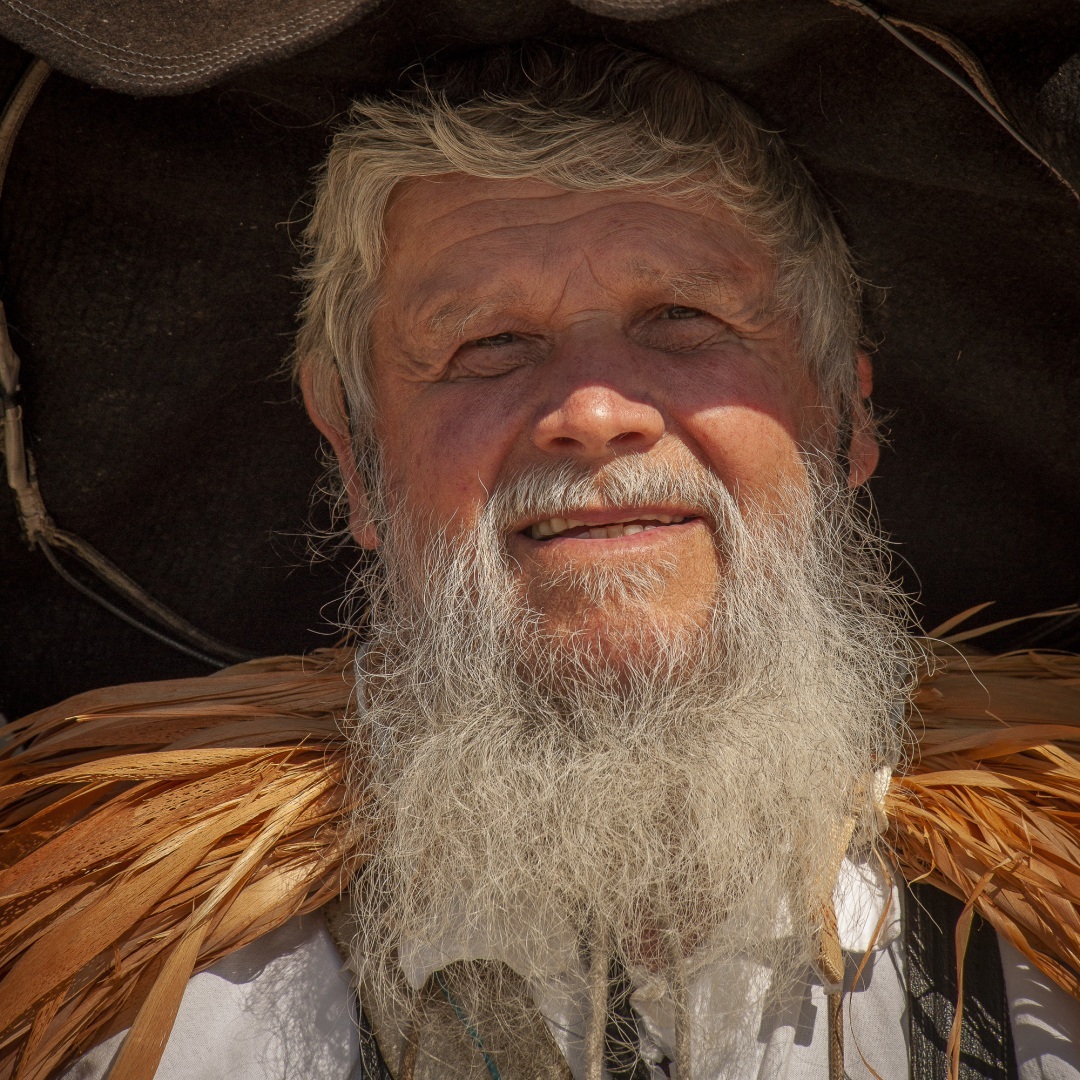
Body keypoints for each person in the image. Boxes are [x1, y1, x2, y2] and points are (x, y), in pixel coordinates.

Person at [18, 39, 1080, 1080]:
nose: (593, 412)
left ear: (846, 412)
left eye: (682, 318)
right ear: (354, 454)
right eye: (488, 344)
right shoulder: (172, 1031)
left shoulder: (1048, 985)